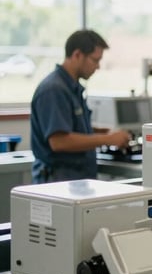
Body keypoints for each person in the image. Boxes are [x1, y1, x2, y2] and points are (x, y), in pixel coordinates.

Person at [30, 30, 132, 184]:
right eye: (95, 60)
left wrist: (100, 132)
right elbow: (59, 141)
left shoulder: (72, 89)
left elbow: (71, 128)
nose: (97, 66)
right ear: (77, 55)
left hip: (76, 179)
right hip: (58, 181)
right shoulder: (54, 90)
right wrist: (107, 139)